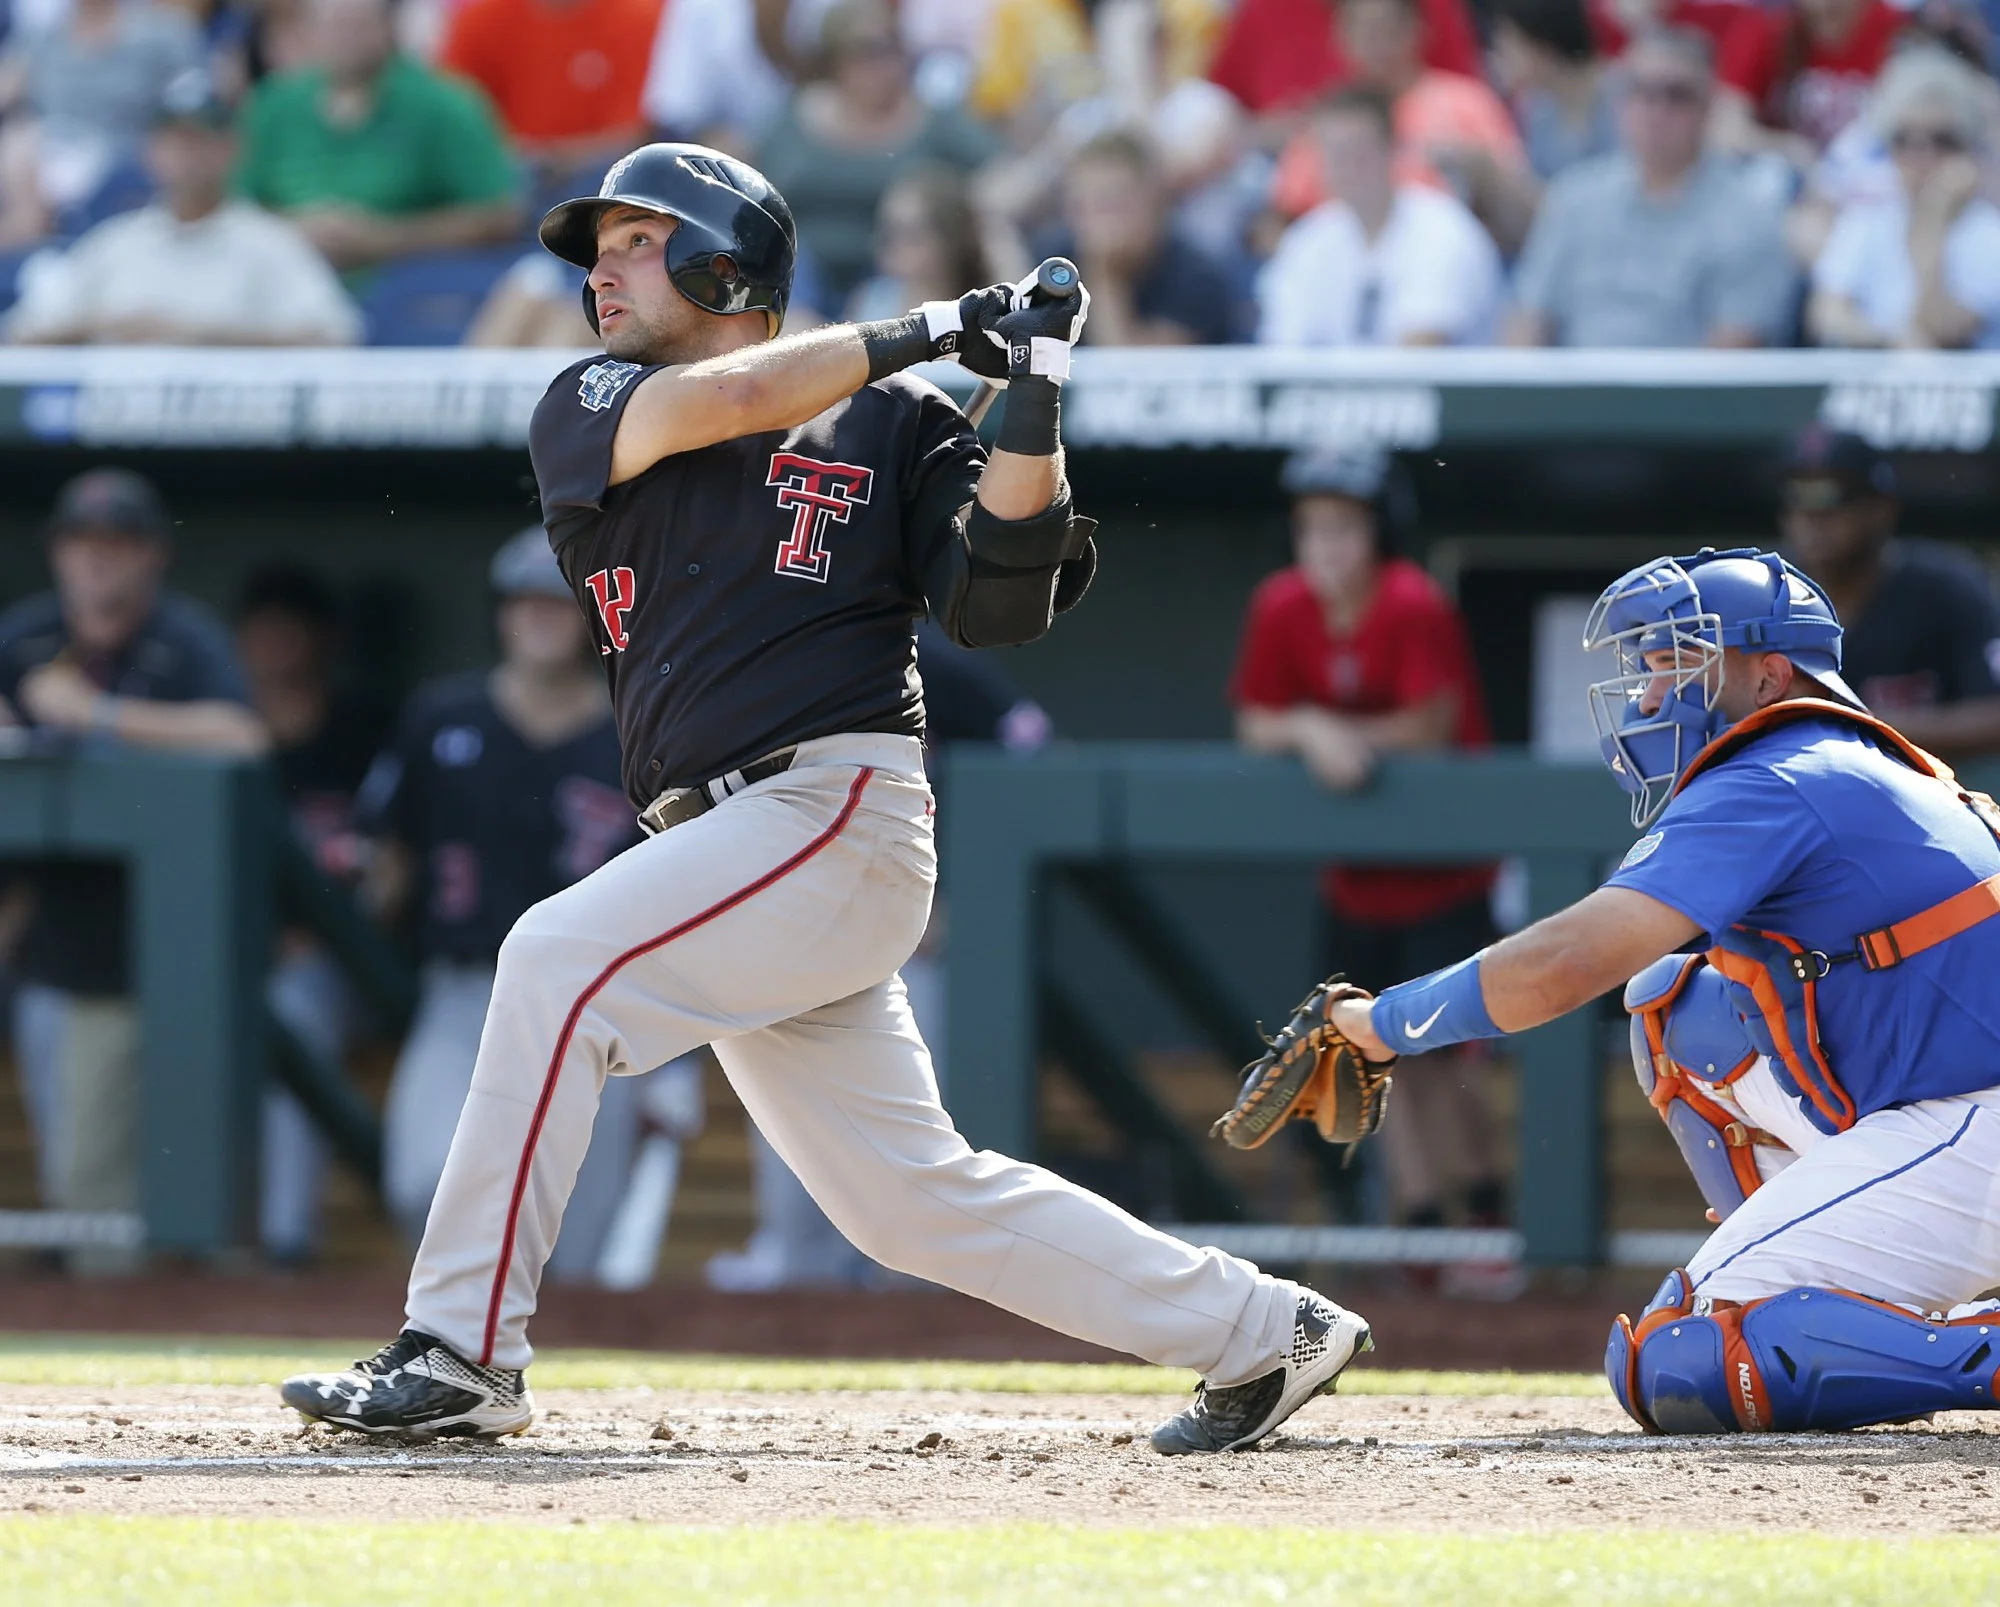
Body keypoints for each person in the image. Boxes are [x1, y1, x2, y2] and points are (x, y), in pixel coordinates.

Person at [279, 140, 1368, 1458]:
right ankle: (1265, 1328)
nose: (601, 269)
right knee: (906, 1201)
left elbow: (1002, 590)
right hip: (731, 840)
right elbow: (736, 395)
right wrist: (932, 324)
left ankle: (459, 1347)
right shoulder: (594, 398)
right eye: (603, 248)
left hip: (828, 808)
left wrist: (1033, 391)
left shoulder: (898, 424)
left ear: (720, 261)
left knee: (553, 960)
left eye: (636, 240)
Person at [1287, 546, 2000, 1436]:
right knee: (1683, 1010)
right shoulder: (1852, 759)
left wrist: (1380, 1022)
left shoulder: (1777, 771)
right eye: (1650, 663)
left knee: (1683, 1355)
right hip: (1948, 1106)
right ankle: (1806, 1273)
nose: (1652, 693)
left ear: (1770, 674)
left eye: (1679, 661)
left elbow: (1565, 965)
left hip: (1973, 1121)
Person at [355, 529, 689, 1285]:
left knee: (579, 1243)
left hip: (601, 1001)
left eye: (558, 602)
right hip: (465, 988)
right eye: (525, 601)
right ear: (501, 614)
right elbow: (389, 863)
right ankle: (464, 1342)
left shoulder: (641, 727)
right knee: (421, 1182)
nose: (541, 617)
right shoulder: (442, 716)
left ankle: (556, 1382)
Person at [1229, 448, 1508, 1247]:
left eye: (1345, 528)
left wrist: (1331, 730)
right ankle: (1421, 1228)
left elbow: (1429, 726)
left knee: (1451, 1054)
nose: (1327, 546)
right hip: (1357, 881)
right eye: (1313, 527)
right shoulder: (1281, 605)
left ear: (1379, 534)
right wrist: (1311, 728)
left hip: (1447, 873)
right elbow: (1256, 722)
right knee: (1373, 1049)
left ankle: (1487, 1212)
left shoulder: (1411, 602)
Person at [0, 469, 266, 1270]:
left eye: (117, 544)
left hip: (187, 960)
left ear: (151, 554)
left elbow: (240, 737)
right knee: (89, 1192)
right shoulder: (26, 638)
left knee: (208, 1202)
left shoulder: (183, 640)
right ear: (59, 553)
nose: (98, 561)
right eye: (84, 543)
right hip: (66, 950)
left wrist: (99, 716)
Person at [235, 564, 388, 1267]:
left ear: (323, 638)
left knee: (294, 1008)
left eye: (290, 627)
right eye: (263, 626)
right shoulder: (218, 734)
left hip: (340, 962)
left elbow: (391, 864)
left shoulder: (365, 733)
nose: (276, 642)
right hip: (231, 955)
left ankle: (287, 1243)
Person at [6, 69, 360, 345]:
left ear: (231, 149)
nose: (186, 155)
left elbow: (334, 336)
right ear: (151, 152)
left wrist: (204, 336)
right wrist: (101, 325)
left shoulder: (270, 243)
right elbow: (22, 333)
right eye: (174, 141)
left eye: (200, 140)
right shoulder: (117, 243)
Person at [1506, 29, 1797, 348]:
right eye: (1639, 90)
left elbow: (1730, 364)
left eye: (1677, 95)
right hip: (1568, 393)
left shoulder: (1748, 220)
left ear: (1708, 107)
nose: (1655, 111)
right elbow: (1527, 324)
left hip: (1684, 395)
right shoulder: (1573, 197)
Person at [235, 0, 520, 272]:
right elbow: (231, 206)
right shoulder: (272, 105)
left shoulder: (446, 105)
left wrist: (388, 238)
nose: (345, 38)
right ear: (307, 30)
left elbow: (497, 215)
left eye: (357, 25)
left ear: (389, 27)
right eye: (332, 25)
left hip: (408, 283)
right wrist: (291, 230)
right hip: (284, 280)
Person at [754, 0, 994, 306]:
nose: (881, 63)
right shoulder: (793, 119)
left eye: (890, 46)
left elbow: (998, 172)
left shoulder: (934, 120)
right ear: (834, 58)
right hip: (802, 273)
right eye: (866, 49)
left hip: (899, 272)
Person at [1778, 428, 2000, 757]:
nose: (1813, 516)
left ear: (1881, 508)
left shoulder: (1946, 588)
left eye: (1833, 495)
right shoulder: (1764, 590)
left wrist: (1861, 724)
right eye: (1797, 495)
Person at [1266, 0, 1538, 253]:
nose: (1377, 44)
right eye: (1365, 31)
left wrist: (1482, 169)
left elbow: (1521, 203)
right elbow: (1282, 215)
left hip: (1448, 257)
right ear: (1340, 37)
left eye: (1388, 29)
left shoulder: (1467, 103)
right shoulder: (1328, 121)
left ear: (1418, 30)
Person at [1258, 87, 1500, 346]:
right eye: (1334, 154)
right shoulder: (1307, 240)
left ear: (1392, 151)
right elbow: (1282, 349)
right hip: (1330, 386)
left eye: (1359, 153)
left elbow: (1423, 354)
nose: (1347, 167)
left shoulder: (1442, 231)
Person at [1808, 49, 2000, 349]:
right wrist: (1887, 338)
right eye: (1905, 139)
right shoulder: (1870, 216)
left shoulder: (1989, 234)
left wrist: (1932, 223)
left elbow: (1944, 331)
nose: (1922, 156)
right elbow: (1826, 313)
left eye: (1942, 140)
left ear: (1966, 146)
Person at [0, 0, 203, 245]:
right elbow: (8, 86)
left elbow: (193, 99)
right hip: (47, 157)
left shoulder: (160, 33)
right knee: (19, 142)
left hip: (124, 159)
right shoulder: (42, 37)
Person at [436, 0, 663, 197]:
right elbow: (450, 116)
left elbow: (638, 134)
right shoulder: (481, 20)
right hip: (506, 181)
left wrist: (551, 160)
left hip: (605, 179)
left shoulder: (639, 18)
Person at [1044, 128, 1239, 346]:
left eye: (1112, 205)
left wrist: (1105, 277)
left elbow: (1132, 370)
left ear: (1154, 203)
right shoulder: (1053, 261)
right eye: (1083, 207)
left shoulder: (1196, 275)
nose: (1098, 223)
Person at [1714, 0, 1906, 164]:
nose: (1823, 6)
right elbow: (1724, 126)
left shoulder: (1897, 33)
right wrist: (1785, 147)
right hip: (1784, 179)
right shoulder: (1770, 26)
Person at [843, 162, 992, 324]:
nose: (896, 245)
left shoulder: (981, 305)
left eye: (912, 235)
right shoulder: (871, 299)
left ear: (950, 240)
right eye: (889, 232)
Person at [1491, 0, 1619, 181]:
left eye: (1509, 44)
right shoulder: (1535, 112)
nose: (1501, 55)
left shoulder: (1630, 98)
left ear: (1542, 48)